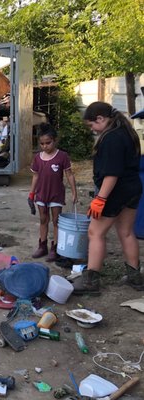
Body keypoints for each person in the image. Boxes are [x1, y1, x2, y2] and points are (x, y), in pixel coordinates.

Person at [73, 102, 144, 294]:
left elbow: (112, 173)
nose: (93, 130)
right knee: (126, 232)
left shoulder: (111, 138)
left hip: (115, 192)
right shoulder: (127, 132)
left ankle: (91, 281)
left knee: (95, 233)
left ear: (101, 119)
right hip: (132, 188)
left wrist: (100, 198)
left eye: (92, 125)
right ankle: (135, 277)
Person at [29, 123, 77, 262]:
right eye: (42, 144)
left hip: (56, 194)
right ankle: (42, 245)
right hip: (41, 194)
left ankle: (55, 248)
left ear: (54, 141)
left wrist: (74, 192)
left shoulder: (62, 156)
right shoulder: (38, 158)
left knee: (56, 221)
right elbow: (35, 176)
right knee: (43, 219)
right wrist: (31, 194)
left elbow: (69, 174)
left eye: (48, 143)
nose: (45, 146)